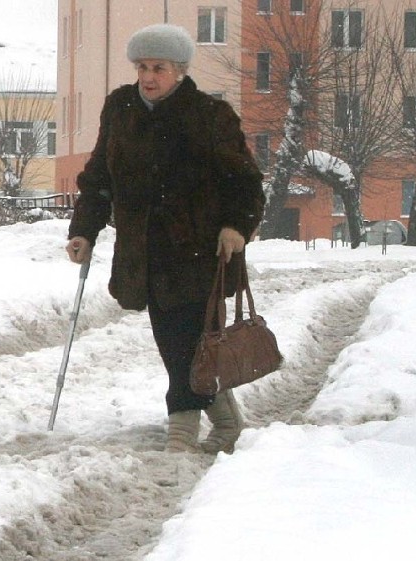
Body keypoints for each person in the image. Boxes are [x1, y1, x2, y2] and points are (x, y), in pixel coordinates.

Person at [66, 23, 266, 453]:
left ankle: (181, 427)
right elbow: (99, 176)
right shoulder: (120, 110)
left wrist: (236, 225)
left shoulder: (210, 117)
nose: (148, 77)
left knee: (188, 341)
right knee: (181, 342)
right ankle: (227, 420)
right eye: (142, 67)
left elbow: (246, 183)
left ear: (180, 70)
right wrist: (84, 230)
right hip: (145, 254)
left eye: (158, 68)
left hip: (200, 252)